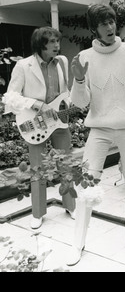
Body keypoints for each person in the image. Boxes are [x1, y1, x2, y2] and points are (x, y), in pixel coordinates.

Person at [66, 3, 125, 266]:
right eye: (103, 23)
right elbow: (80, 104)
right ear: (94, 28)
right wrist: (80, 81)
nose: (109, 26)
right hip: (100, 129)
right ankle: (77, 244)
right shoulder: (83, 57)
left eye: (112, 21)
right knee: (85, 186)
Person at [4, 26, 75, 230]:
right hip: (35, 125)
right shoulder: (23, 65)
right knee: (38, 169)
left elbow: (65, 91)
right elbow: (10, 96)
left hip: (59, 122)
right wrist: (36, 104)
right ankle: (38, 212)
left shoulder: (62, 62)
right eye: (52, 41)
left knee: (67, 165)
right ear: (40, 44)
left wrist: (69, 102)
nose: (57, 45)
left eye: (57, 41)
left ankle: (71, 205)